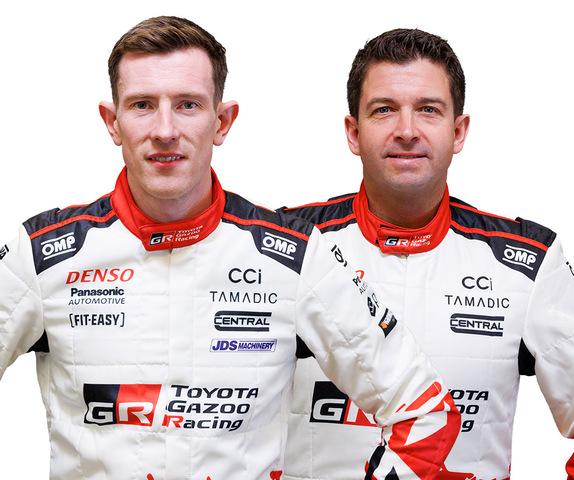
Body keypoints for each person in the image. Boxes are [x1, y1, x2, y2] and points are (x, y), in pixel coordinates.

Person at [0, 17, 459, 480]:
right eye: (142, 105)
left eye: (188, 105)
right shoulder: (40, 255)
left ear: (221, 121)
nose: (165, 129)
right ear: (112, 122)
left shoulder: (296, 257)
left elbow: (424, 410)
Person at [282, 28, 574, 480]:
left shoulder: (530, 261)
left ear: (458, 132)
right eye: (384, 110)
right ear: (354, 133)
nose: (406, 131)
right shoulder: (290, 246)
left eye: (428, 110)